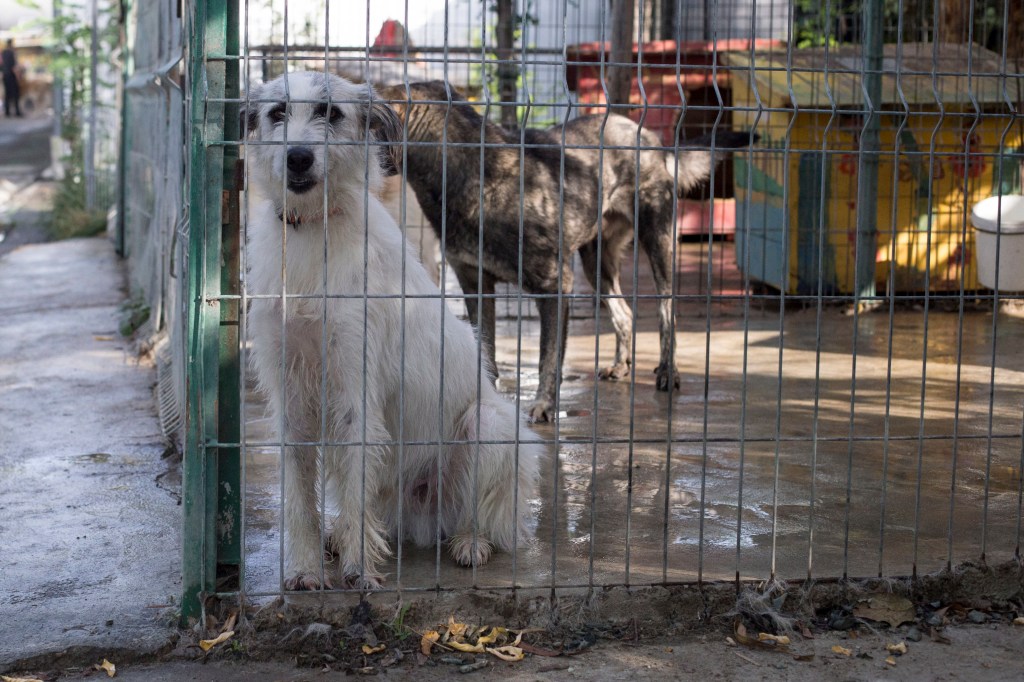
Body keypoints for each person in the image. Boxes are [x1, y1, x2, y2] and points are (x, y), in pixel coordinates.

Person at [2, 39, 23, 118]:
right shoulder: (11, 53)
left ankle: (7, 112)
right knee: (16, 94)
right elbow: (13, 67)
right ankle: (17, 111)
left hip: (5, 76)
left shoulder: (3, 53)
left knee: (7, 94)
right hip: (11, 76)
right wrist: (18, 77)